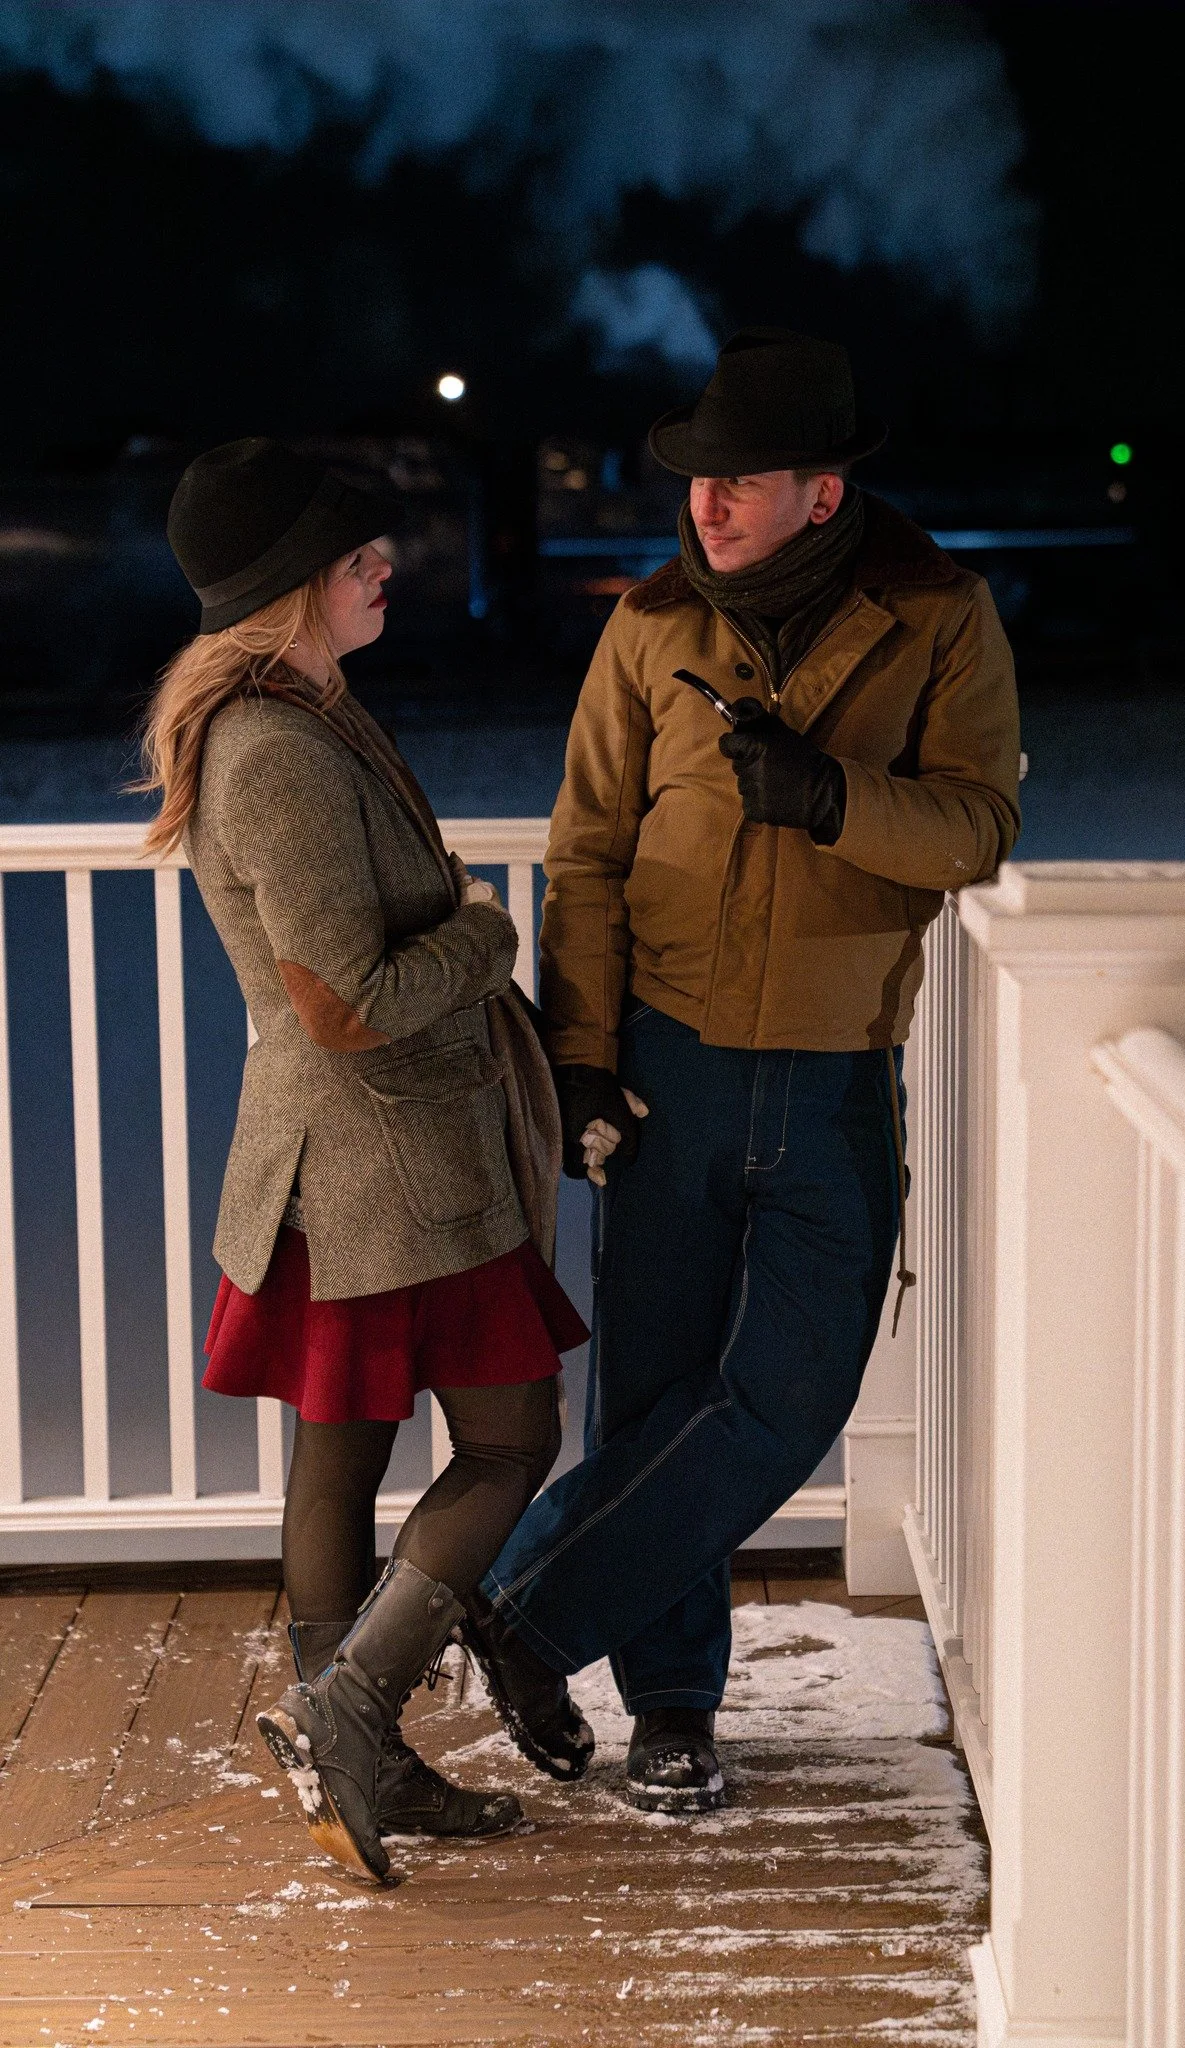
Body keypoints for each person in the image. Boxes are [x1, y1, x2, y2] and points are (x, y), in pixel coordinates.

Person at [457, 328, 1021, 1814]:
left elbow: (973, 828)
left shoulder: (939, 618)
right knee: (650, 1388)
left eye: (743, 481)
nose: (706, 504)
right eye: (700, 477)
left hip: (834, 1066)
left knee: (784, 1392)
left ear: (822, 494)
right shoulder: (649, 625)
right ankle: (673, 1710)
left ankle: (518, 1611)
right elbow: (583, 850)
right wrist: (579, 1058)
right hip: (669, 1062)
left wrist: (832, 797)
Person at [145, 438, 589, 1884]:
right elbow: (345, 1007)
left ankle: (365, 1764)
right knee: (513, 1439)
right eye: (352, 558)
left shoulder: (301, 712)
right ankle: (351, 1711)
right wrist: (483, 928)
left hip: (359, 1166)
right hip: (383, 1159)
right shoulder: (274, 750)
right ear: (287, 589)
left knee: (340, 1458)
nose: (380, 567)